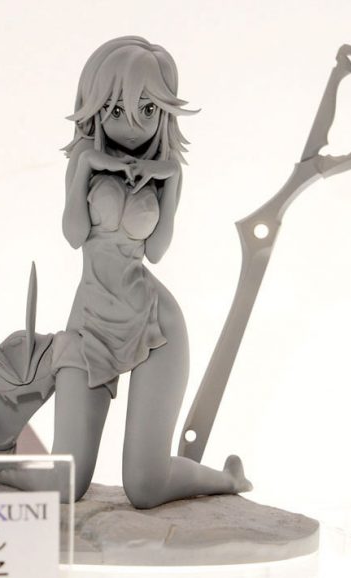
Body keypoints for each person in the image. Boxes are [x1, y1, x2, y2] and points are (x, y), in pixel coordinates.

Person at [46, 36, 251, 508]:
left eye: (149, 109)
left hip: (155, 323)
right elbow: (74, 235)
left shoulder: (166, 170)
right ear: (96, 107)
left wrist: (171, 180)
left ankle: (227, 480)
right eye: (117, 109)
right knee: (64, 482)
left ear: (165, 111)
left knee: (145, 486)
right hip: (91, 322)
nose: (133, 124)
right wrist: (86, 167)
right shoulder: (84, 161)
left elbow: (156, 251)